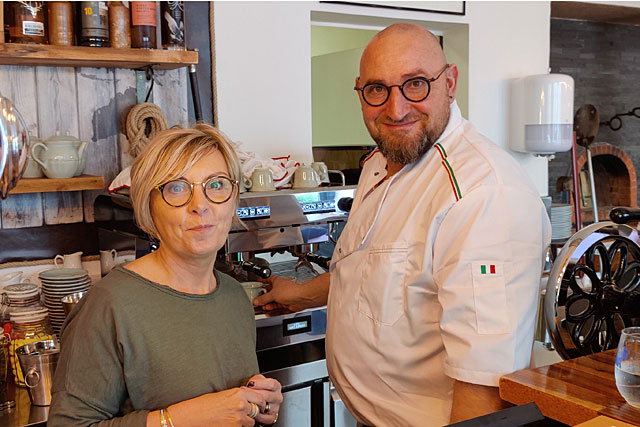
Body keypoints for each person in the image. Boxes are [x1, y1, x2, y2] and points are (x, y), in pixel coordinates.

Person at [254, 23, 551, 426]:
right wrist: (304, 294)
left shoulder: (482, 196)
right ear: (360, 91)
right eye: (378, 89)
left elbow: (484, 389)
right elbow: (378, 268)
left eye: (415, 84)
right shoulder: (382, 162)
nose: (395, 109)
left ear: (450, 82)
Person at [49, 124, 282, 427]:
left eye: (216, 185)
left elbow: (226, 407)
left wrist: (258, 403)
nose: (201, 206)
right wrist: (175, 420)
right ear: (149, 206)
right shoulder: (109, 306)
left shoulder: (234, 296)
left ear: (234, 196)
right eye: (176, 187)